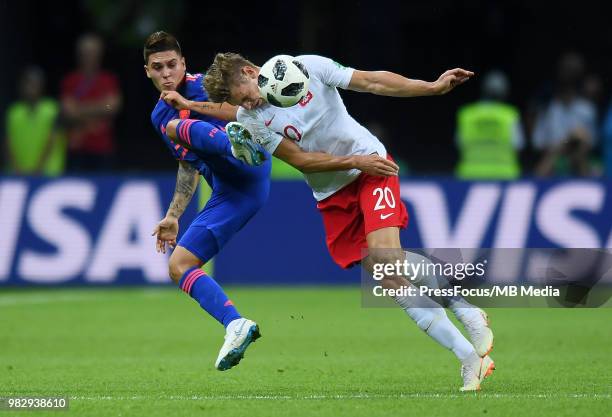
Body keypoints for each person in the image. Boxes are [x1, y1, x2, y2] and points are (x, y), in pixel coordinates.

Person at [203, 53, 494, 391]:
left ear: (251, 72)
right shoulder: (250, 119)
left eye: (246, 94)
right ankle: (469, 358)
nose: (248, 104)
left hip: (372, 165)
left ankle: (468, 311)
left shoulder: (306, 67)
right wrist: (351, 161)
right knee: (390, 278)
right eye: (240, 103)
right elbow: (301, 160)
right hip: (332, 194)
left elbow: (372, 81)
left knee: (387, 259)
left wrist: (430, 87)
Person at [143, 31, 270, 371]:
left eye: (172, 65)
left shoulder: (206, 85)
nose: (167, 73)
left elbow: (250, 105)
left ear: (184, 64)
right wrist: (173, 216)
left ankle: (235, 145)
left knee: (177, 126)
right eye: (158, 67)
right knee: (178, 265)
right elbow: (188, 163)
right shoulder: (159, 116)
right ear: (148, 72)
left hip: (252, 160)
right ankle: (235, 324)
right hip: (232, 191)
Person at [61, 34, 121, 172]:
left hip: (102, 149)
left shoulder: (108, 80)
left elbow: (111, 107)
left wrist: (80, 109)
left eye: (93, 53)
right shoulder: (70, 81)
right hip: (77, 149)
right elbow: (68, 111)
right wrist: (99, 109)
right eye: (85, 53)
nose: (89, 57)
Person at [532, 52, 597, 177]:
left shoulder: (587, 110)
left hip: (579, 171)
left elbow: (590, 145)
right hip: (550, 173)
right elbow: (539, 145)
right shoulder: (547, 109)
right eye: (565, 70)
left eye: (573, 71)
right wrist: (566, 142)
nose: (568, 75)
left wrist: (579, 145)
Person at [455, 70, 524, 179]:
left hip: (471, 175)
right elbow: (518, 147)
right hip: (505, 176)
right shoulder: (510, 115)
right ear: (504, 92)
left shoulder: (467, 114)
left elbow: (459, 144)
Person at [4, 66, 66, 176]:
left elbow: (52, 140)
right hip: (18, 174)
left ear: (41, 86)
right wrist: (16, 168)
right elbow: (7, 143)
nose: (31, 88)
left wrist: (39, 168)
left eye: (35, 84)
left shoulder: (52, 109)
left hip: (48, 174)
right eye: (28, 83)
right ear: (21, 86)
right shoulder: (14, 112)